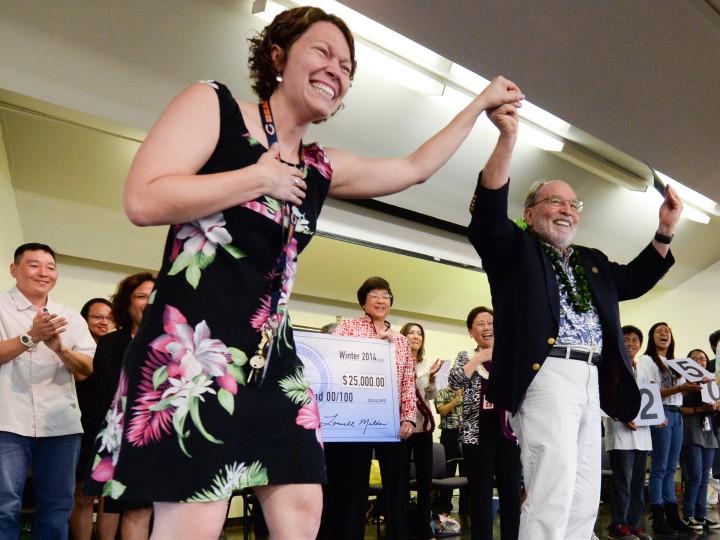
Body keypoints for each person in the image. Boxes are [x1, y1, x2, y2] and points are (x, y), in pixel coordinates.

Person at [82, 6, 523, 539]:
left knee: (302, 506)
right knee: (195, 518)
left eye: (347, 65)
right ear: (277, 56)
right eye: (322, 52)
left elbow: (413, 169)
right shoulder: (214, 105)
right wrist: (257, 176)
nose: (337, 69)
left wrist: (479, 107)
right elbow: (142, 199)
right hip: (194, 343)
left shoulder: (318, 166)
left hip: (272, 355)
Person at [466, 96, 681, 540]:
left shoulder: (591, 261)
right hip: (546, 372)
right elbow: (488, 216)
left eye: (573, 204)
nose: (567, 209)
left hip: (591, 377)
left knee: (585, 489)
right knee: (553, 486)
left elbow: (636, 279)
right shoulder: (515, 250)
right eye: (554, 201)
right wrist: (508, 138)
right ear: (529, 214)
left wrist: (665, 229)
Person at [0, 243, 96, 539]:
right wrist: (31, 337)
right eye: (34, 265)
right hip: (7, 421)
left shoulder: (69, 316)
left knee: (58, 507)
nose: (43, 272)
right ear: (14, 269)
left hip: (60, 426)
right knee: (5, 505)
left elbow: (85, 370)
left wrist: (60, 349)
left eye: (50, 267)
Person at [318, 276, 416, 540]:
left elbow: (407, 381)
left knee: (396, 488)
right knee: (351, 487)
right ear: (363, 303)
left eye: (385, 295)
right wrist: (374, 347)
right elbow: (335, 366)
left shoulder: (402, 341)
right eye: (374, 295)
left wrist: (408, 418)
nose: (380, 300)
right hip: (354, 421)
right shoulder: (347, 327)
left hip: (391, 421)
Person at [72, 274, 156, 540]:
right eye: (141, 296)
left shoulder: (176, 339)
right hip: (120, 436)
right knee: (125, 506)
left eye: (154, 296)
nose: (148, 302)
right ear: (126, 303)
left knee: (146, 511)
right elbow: (112, 391)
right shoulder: (112, 343)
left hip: (163, 440)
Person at [448, 306, 521, 540]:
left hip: (509, 431)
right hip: (476, 433)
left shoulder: (511, 355)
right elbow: (454, 381)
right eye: (480, 324)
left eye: (490, 322)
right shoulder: (466, 356)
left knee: (511, 492)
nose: (486, 327)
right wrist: (481, 356)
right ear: (471, 332)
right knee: (480, 494)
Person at [637, 322, 696, 534]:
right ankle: (659, 518)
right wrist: (679, 388)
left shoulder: (676, 363)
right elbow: (646, 390)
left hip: (677, 414)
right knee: (660, 468)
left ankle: (673, 517)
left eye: (668, 331)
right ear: (652, 337)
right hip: (660, 414)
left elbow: (680, 394)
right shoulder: (646, 360)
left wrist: (693, 388)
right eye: (659, 331)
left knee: (672, 468)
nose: (664, 334)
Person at [604, 325, 655, 540]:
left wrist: (657, 417)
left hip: (642, 435)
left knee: (637, 483)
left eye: (635, 340)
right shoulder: (611, 367)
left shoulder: (643, 367)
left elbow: (650, 398)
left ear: (640, 344)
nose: (630, 343)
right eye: (626, 339)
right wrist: (624, 417)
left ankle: (634, 524)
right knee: (622, 483)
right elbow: (606, 398)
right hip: (621, 434)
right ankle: (618, 526)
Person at [400, 322, 443, 539]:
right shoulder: (396, 361)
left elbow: (432, 398)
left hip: (423, 429)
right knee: (401, 478)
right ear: (403, 336)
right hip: (401, 429)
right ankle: (401, 522)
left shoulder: (428, 364)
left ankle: (423, 524)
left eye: (419, 334)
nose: (415, 336)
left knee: (425, 479)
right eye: (410, 332)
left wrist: (432, 379)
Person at [679, 348, 720, 530]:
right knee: (694, 476)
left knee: (704, 478)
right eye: (694, 358)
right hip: (691, 431)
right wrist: (699, 409)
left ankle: (701, 515)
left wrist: (716, 406)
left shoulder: (711, 383)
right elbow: (677, 408)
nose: (699, 361)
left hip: (709, 432)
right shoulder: (682, 382)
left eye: (702, 358)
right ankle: (688, 515)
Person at [434, 385, 463, 515]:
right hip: (449, 435)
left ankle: (465, 507)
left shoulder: (469, 391)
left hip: (466, 436)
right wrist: (457, 397)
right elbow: (442, 411)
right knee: (448, 472)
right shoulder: (442, 393)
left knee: (467, 471)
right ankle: (444, 507)